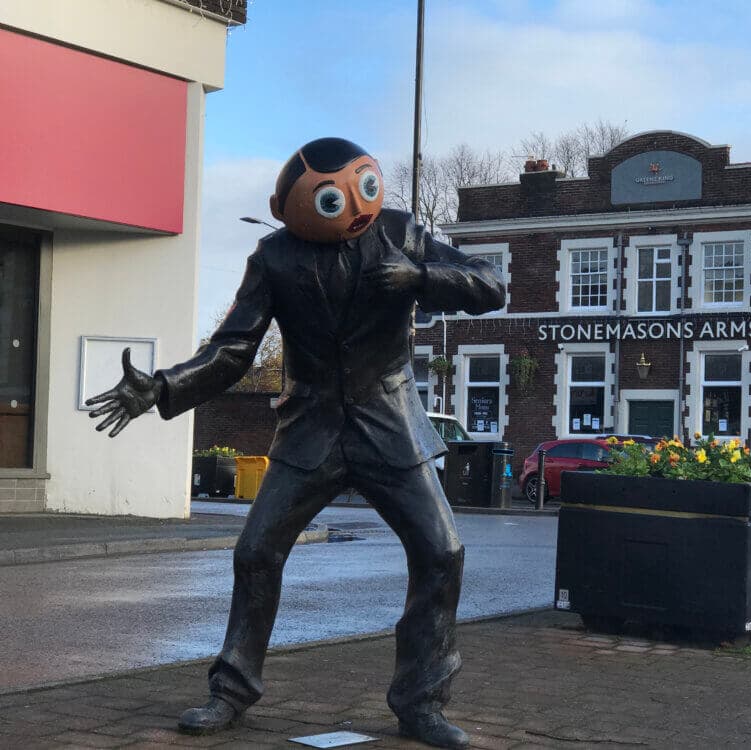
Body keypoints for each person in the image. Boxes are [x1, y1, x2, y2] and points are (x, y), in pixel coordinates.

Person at [86, 137, 505, 750]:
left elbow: (490, 286)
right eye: (335, 198)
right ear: (291, 207)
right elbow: (232, 351)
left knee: (442, 554)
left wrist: (420, 275)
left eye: (363, 188)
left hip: (389, 425)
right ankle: (231, 691)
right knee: (256, 552)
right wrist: (163, 387)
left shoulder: (400, 233)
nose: (357, 209)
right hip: (312, 431)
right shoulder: (274, 258)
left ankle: (422, 702)